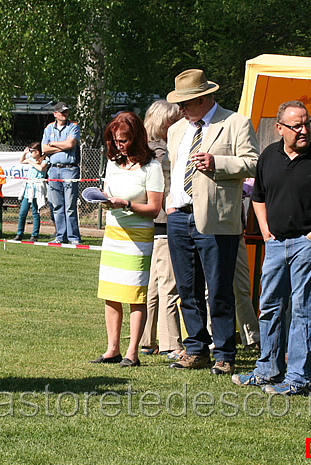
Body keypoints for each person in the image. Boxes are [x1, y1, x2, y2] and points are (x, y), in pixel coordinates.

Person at [232, 100, 311, 395]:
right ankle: (268, 371)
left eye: (306, 124)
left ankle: (299, 379)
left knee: (304, 310)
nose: (304, 130)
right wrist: (264, 229)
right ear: (279, 129)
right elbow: (258, 196)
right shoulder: (268, 157)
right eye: (296, 125)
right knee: (270, 306)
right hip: (276, 243)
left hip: (309, 246)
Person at [164, 69, 259, 375]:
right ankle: (195, 349)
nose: (181, 109)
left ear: (203, 98)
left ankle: (225, 353)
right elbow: (174, 169)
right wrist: (170, 204)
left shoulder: (235, 123)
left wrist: (218, 163)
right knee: (187, 288)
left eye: (186, 103)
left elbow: (254, 163)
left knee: (218, 288)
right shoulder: (177, 129)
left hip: (217, 218)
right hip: (179, 216)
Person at [92, 111, 164, 367]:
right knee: (111, 292)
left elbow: (155, 208)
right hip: (113, 233)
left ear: (136, 137)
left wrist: (127, 204)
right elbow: (108, 192)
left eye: (123, 140)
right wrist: (103, 200)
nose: (118, 144)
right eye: (115, 140)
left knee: (135, 294)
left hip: (137, 237)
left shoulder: (152, 167)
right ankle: (112, 349)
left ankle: (132, 351)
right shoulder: (113, 163)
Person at [139, 100, 184, 359]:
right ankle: (171, 343)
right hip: (165, 221)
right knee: (168, 285)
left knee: (154, 284)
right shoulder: (162, 152)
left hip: (151, 223)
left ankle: (147, 339)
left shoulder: (144, 149)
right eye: (173, 120)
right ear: (162, 122)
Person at [42, 102, 82, 245]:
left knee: (70, 206)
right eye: (62, 112)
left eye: (66, 112)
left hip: (69, 170)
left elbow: (70, 144)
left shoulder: (73, 126)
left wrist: (53, 144)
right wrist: (61, 146)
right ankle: (60, 235)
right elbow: (43, 148)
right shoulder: (48, 128)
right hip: (53, 170)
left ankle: (73, 237)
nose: (64, 114)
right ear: (55, 114)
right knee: (57, 206)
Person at [13, 142, 48, 241]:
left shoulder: (45, 161)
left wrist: (30, 161)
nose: (31, 154)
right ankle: (19, 234)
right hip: (28, 190)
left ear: (37, 152)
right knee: (22, 213)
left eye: (32, 152)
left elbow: (41, 168)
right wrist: (25, 154)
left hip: (37, 190)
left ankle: (34, 235)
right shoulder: (31, 160)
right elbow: (21, 161)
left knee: (35, 213)